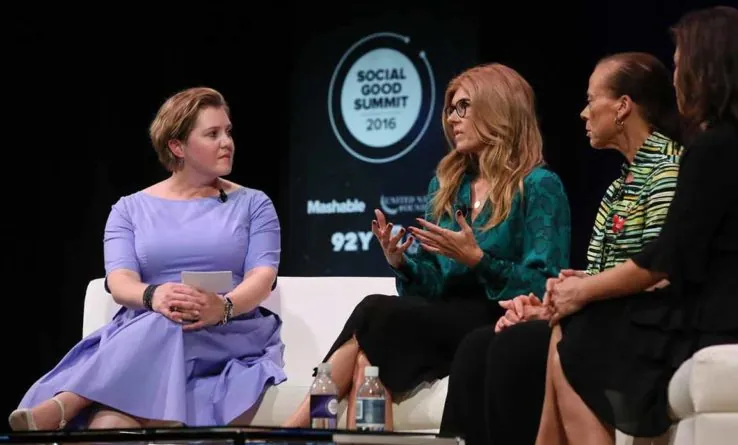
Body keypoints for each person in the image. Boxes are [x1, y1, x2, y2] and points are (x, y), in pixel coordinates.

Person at [281, 63, 572, 430]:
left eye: (463, 106)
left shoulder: (539, 185)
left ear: (498, 109)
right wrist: (402, 263)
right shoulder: (448, 184)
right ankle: (310, 429)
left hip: (497, 321)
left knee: (373, 316)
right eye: (450, 109)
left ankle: (296, 427)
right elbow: (433, 283)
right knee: (367, 359)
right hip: (441, 319)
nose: (453, 118)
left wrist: (478, 260)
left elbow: (543, 282)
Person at [536, 6, 738, 444]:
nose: (676, 80)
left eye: (681, 67)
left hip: (725, 319)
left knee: (577, 331)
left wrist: (581, 290)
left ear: (706, 71)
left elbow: (665, 260)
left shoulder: (712, 149)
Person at [439, 52, 684, 445]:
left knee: (515, 348)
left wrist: (573, 297)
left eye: (591, 100)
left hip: (647, 321)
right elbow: (601, 274)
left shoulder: (668, 173)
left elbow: (660, 270)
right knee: (478, 346)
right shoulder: (618, 187)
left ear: (622, 107)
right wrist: (547, 303)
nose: (583, 113)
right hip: (605, 313)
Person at [8, 87, 286, 430]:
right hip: (148, 335)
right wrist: (154, 296)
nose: (226, 142)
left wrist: (223, 306)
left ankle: (67, 402)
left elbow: (263, 276)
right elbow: (119, 280)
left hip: (229, 332)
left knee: (167, 316)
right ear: (177, 146)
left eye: (228, 132)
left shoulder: (254, 204)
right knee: (107, 427)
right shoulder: (129, 209)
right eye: (212, 134)